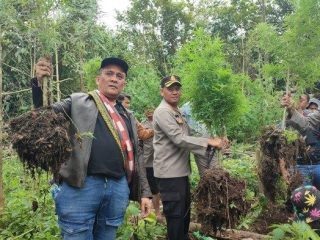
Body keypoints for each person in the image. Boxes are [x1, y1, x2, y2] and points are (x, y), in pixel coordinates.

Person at [32, 57, 152, 240]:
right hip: (82, 185)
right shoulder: (78, 101)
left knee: (108, 234)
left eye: (119, 76)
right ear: (98, 79)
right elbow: (43, 116)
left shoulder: (127, 115)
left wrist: (145, 193)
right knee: (77, 235)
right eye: (109, 74)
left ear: (123, 83)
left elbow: (138, 155)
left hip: (118, 187)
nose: (114, 79)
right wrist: (38, 85)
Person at [153, 75, 227, 240]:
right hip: (170, 175)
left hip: (180, 173)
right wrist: (208, 141)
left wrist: (215, 139)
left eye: (177, 88)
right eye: (170, 89)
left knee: (184, 216)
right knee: (175, 218)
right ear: (161, 91)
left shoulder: (176, 111)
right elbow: (179, 139)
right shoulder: (163, 112)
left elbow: (190, 134)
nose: (174, 92)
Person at [281, 93, 320, 189]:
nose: (312, 110)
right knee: (305, 198)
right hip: (301, 165)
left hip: (316, 165)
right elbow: (304, 123)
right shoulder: (288, 122)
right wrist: (291, 108)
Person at [141, 108, 163, 221]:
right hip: (148, 163)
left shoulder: (160, 122)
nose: (149, 112)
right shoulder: (142, 124)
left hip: (162, 161)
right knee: (152, 188)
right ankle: (155, 213)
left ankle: (162, 211)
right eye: (147, 110)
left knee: (163, 188)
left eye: (151, 110)